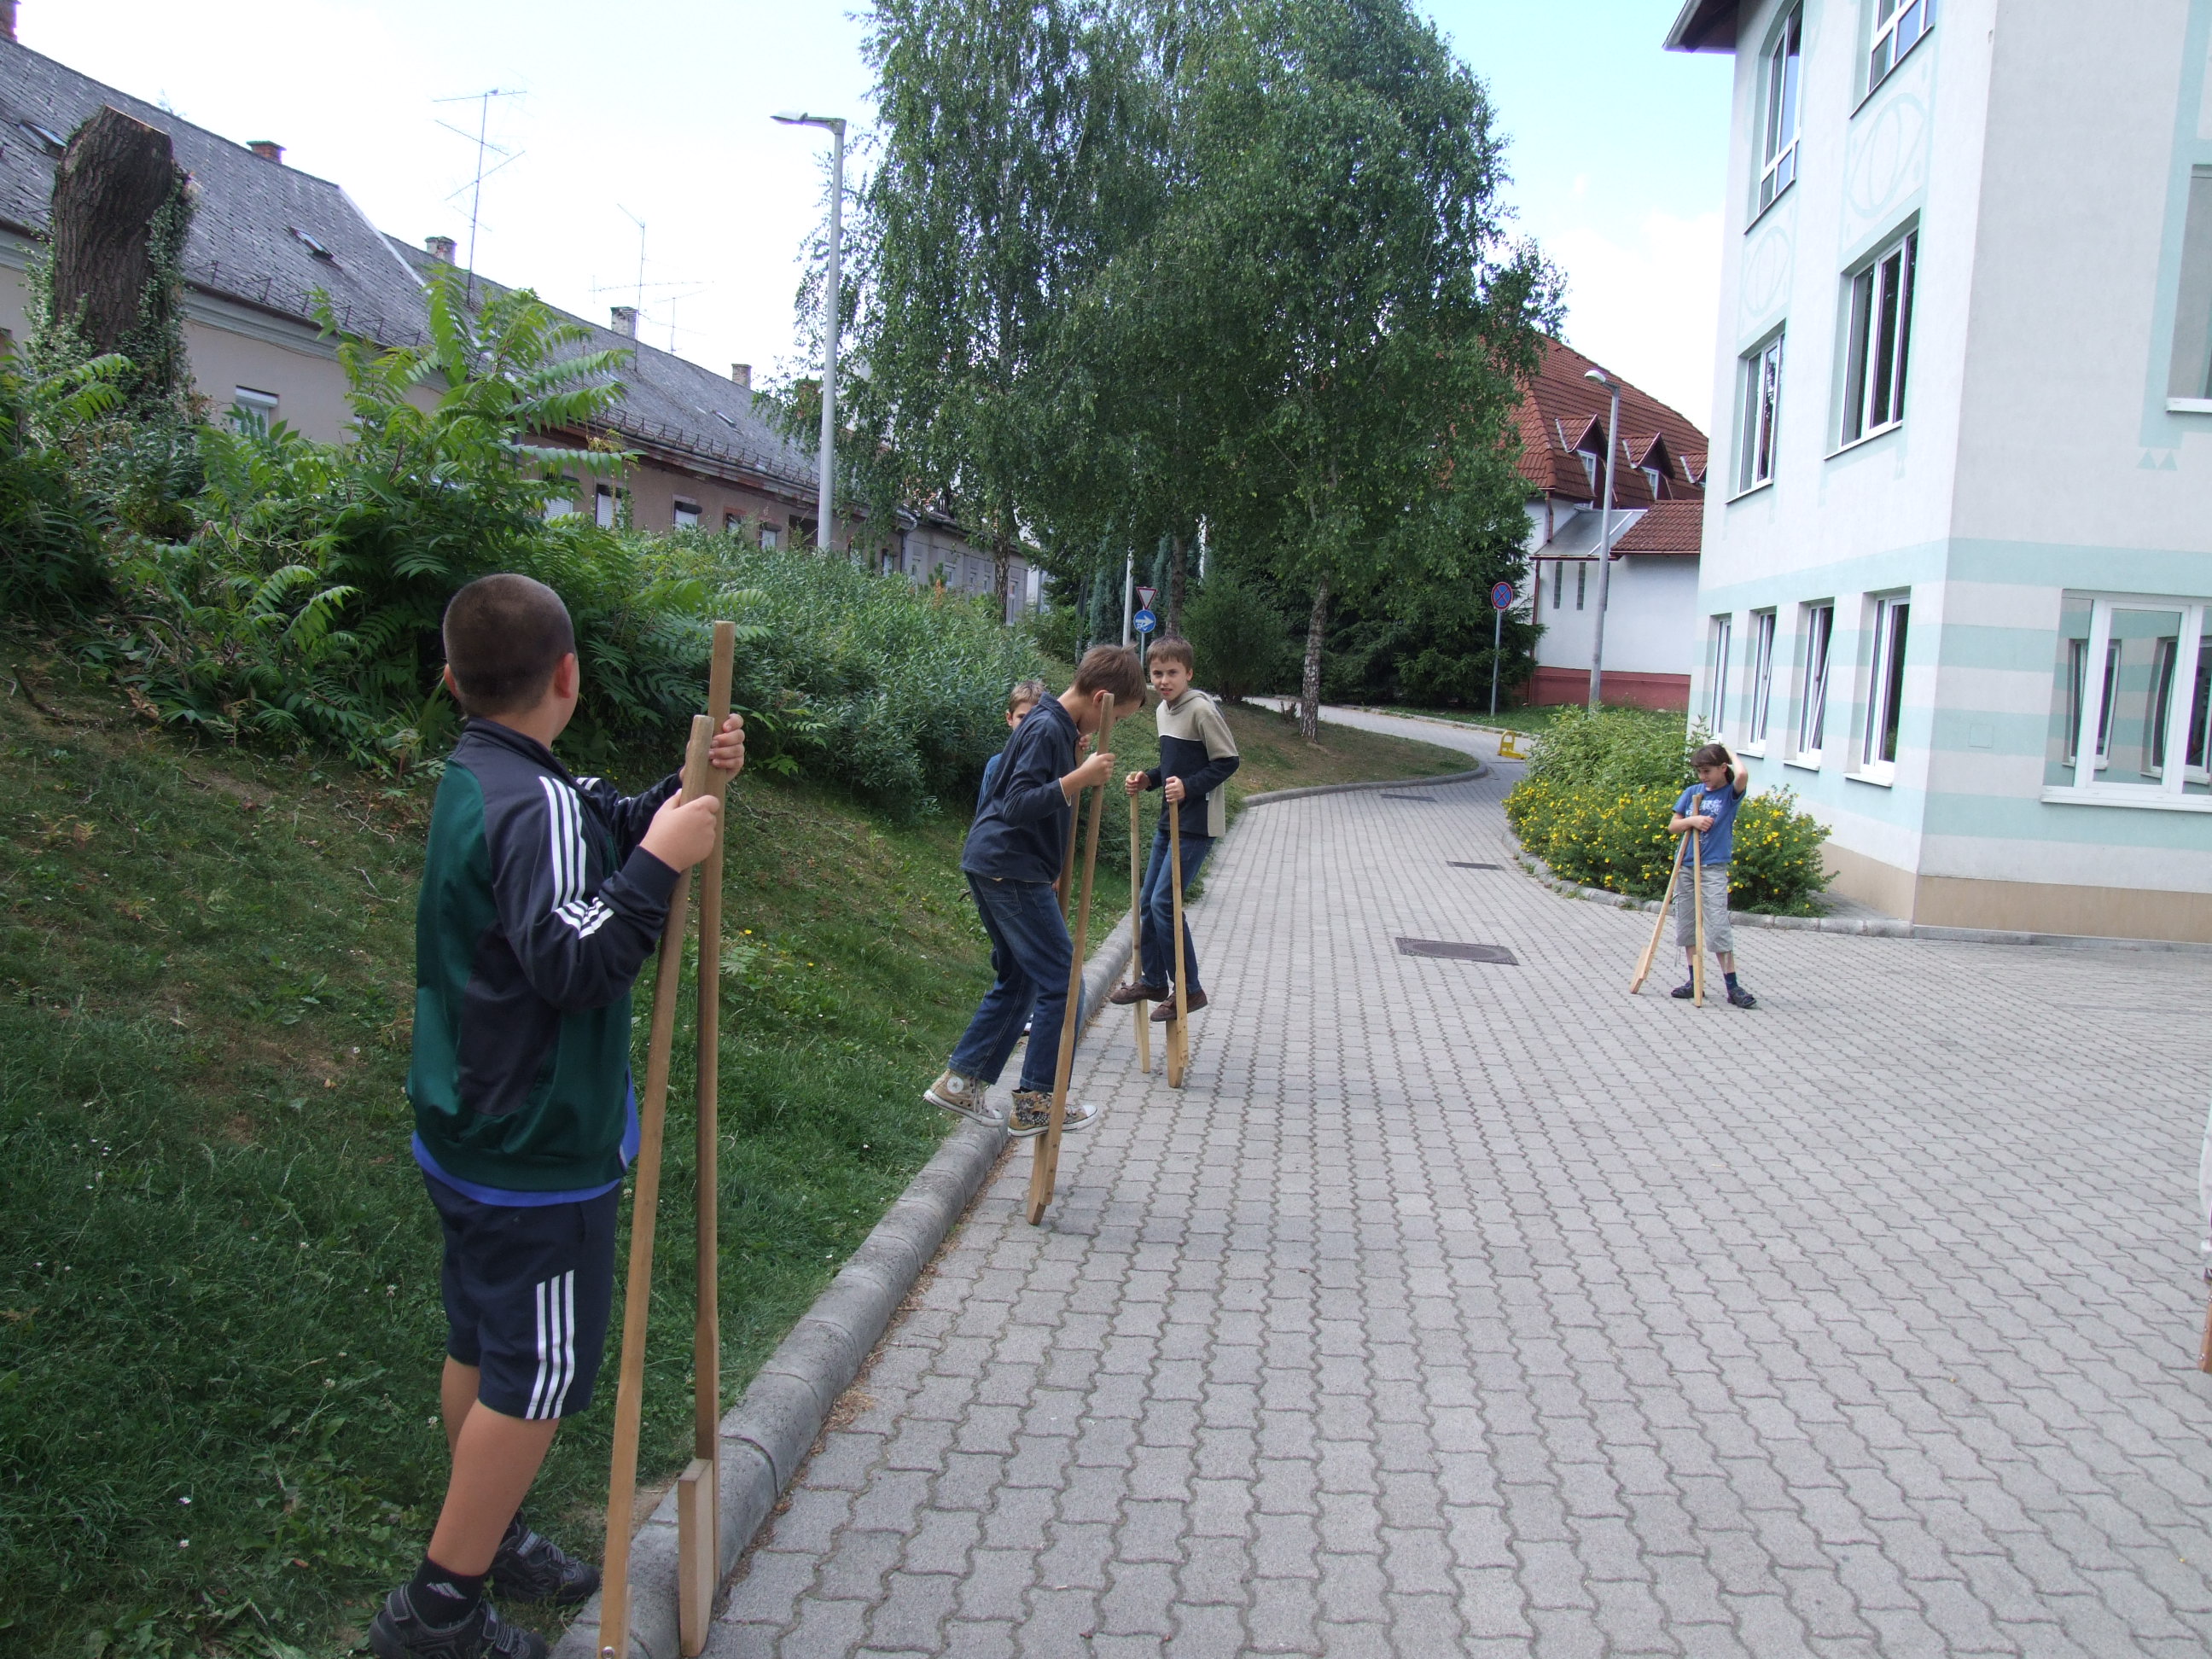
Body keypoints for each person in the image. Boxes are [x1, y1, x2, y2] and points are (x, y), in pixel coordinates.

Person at [370, 574, 744, 1659]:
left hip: (468, 1118)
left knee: (485, 1343)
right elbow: (577, 964)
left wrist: (677, 795)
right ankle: (437, 1611)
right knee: (532, 1377)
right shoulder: (530, 801)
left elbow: (598, 821)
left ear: (453, 681)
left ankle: (493, 1532)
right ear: (569, 675)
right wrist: (660, 867)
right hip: (532, 1145)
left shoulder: (486, 774)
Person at [926, 646, 1147, 1137]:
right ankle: (1036, 1104)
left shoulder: (1054, 726)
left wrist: (1072, 759)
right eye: (1117, 718)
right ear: (1102, 698)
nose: (1112, 727)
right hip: (1011, 867)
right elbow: (1016, 804)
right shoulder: (1047, 726)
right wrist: (1078, 778)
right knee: (1064, 984)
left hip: (998, 863)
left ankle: (960, 1083)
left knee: (1021, 978)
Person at [1110, 638, 1241, 1022]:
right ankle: (1153, 980)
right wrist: (1149, 780)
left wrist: (1188, 788)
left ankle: (1189, 989)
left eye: (1172, 673)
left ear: (1189, 674)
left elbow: (1228, 761)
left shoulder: (1202, 710)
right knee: (1147, 902)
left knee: (1165, 903)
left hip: (1197, 824)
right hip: (1169, 821)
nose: (1164, 681)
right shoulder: (1163, 711)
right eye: (1157, 674)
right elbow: (1173, 767)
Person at [1668, 741, 1756, 1010]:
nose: (1702, 776)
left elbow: (1743, 774)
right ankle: (1694, 981)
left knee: (1717, 925)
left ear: (1722, 768)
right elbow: (1673, 826)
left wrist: (1729, 751)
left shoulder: (1730, 794)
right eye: (1699, 771)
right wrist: (1691, 821)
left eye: (1707, 771)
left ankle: (1733, 986)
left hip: (1713, 868)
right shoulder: (1692, 792)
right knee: (1687, 924)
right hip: (1686, 866)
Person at [977, 678, 1050, 814]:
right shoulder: (996, 766)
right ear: (1009, 718)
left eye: (1036, 717)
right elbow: (983, 814)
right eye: (1022, 717)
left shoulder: (1051, 766)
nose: (1028, 724)